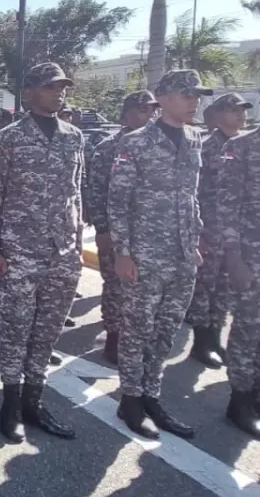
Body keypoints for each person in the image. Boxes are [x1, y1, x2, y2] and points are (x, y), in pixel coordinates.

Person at [0, 62, 84, 444]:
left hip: (63, 251)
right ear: (30, 93)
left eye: (63, 87)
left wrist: (76, 241)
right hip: (19, 251)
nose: (60, 92)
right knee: (16, 330)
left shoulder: (74, 136)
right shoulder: (10, 137)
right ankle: (9, 404)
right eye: (52, 87)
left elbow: (76, 192)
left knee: (47, 331)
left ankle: (34, 401)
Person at [108, 69, 211, 440]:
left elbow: (191, 196)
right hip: (145, 253)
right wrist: (122, 251)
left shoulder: (195, 139)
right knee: (137, 329)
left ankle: (152, 395)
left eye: (197, 96)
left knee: (166, 330)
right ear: (163, 98)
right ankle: (130, 399)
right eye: (187, 95)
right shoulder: (135, 143)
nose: (194, 102)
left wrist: (195, 242)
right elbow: (117, 202)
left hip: (182, 253)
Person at [85, 91, 160, 364]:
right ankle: (113, 336)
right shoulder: (108, 147)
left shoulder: (158, 145)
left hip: (150, 234)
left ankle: (137, 338)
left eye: (152, 110)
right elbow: (96, 191)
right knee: (115, 286)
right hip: (117, 231)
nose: (149, 115)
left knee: (145, 289)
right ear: (126, 113)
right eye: (142, 110)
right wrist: (103, 230)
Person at [188, 93, 251, 368]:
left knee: (224, 289)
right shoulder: (206, 147)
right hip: (210, 228)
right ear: (217, 114)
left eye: (242, 110)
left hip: (238, 232)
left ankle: (215, 338)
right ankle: (201, 343)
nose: (240, 115)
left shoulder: (247, 145)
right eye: (232, 110)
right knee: (205, 287)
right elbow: (194, 192)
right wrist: (197, 233)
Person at [219, 109, 260, 437]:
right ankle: (240, 399)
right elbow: (227, 205)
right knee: (248, 329)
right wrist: (233, 256)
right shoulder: (243, 147)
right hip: (251, 254)